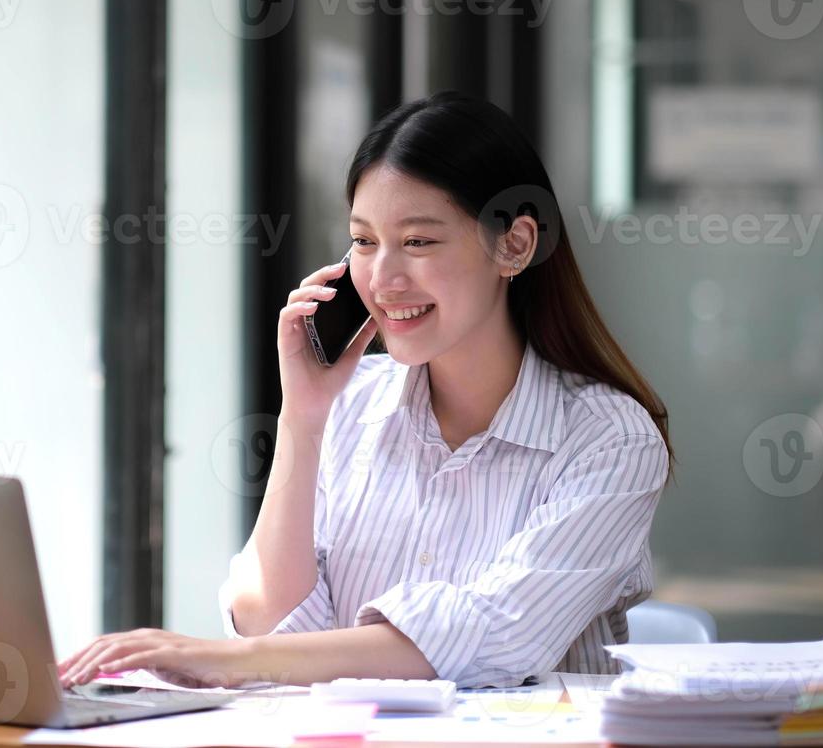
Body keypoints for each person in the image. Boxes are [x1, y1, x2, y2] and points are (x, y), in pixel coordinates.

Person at [59, 91, 672, 689]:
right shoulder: (349, 405)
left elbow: (497, 636)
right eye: (363, 241)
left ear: (513, 245)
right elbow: (272, 618)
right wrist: (303, 413)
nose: (382, 279)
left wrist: (232, 659)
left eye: (418, 241)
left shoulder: (610, 439)